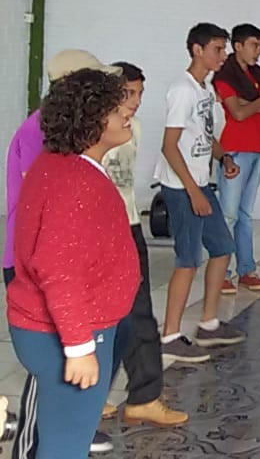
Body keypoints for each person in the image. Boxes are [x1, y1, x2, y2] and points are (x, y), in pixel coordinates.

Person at [7, 68, 140, 459]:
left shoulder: (63, 165)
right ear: (90, 120)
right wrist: (79, 346)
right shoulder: (74, 181)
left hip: (73, 325)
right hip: (70, 332)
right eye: (115, 108)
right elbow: (56, 268)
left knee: (64, 440)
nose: (127, 113)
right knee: (66, 447)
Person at [101, 61, 190, 426]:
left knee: (139, 312)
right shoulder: (95, 128)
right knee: (99, 320)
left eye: (140, 93)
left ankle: (144, 396)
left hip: (129, 225)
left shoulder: (133, 127)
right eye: (128, 93)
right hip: (101, 231)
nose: (135, 101)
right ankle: (88, 397)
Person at [156, 23, 247, 363]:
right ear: (198, 50)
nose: (223, 56)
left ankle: (208, 324)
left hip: (200, 183)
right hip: (183, 187)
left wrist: (223, 157)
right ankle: (170, 335)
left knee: (222, 248)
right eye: (218, 50)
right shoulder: (182, 90)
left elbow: (204, 136)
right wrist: (193, 192)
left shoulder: (205, 89)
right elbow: (169, 146)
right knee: (188, 259)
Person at [212, 23, 260, 294]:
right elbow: (238, 113)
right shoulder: (225, 76)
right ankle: (222, 273)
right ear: (238, 46)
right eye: (254, 45)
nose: (258, 51)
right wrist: (259, 102)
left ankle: (246, 269)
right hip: (235, 149)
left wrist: (253, 102)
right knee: (228, 214)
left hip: (258, 149)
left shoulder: (258, 75)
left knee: (245, 215)